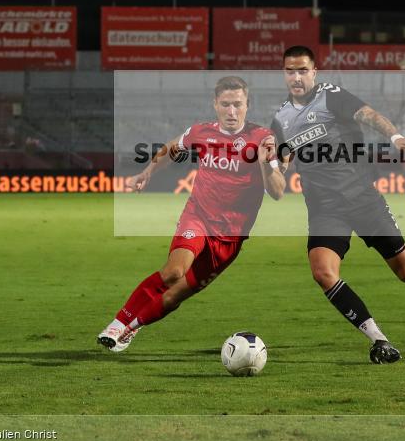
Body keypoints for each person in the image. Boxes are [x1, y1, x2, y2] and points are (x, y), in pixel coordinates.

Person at [98, 76, 285, 351]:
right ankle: (118, 323)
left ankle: (133, 327)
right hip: (198, 217)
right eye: (225, 104)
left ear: (248, 105)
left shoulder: (263, 139)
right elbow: (172, 148)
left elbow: (278, 191)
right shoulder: (201, 132)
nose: (231, 111)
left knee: (175, 296)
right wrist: (147, 171)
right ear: (215, 104)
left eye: (237, 104)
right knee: (174, 271)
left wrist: (266, 165)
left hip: (230, 238)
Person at [270, 45, 405, 365]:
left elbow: (369, 115)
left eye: (303, 70)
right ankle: (379, 340)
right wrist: (269, 168)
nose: (297, 76)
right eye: (290, 70)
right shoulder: (280, 119)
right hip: (324, 209)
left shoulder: (331, 95)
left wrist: (396, 138)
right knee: (323, 272)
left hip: (362, 198)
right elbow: (279, 181)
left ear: (314, 72)